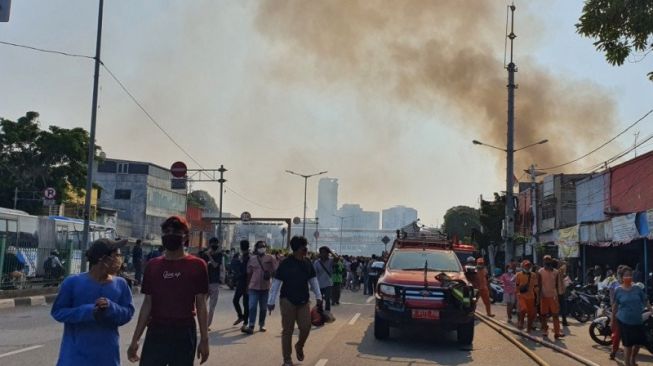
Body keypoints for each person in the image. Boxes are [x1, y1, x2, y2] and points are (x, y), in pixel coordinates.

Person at [127, 216, 209, 365]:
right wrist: (135, 339)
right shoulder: (153, 265)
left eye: (176, 231)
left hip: (184, 332)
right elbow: (147, 304)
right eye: (166, 231)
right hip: (156, 331)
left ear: (185, 237)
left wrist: (204, 339)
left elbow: (201, 304)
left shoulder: (197, 265)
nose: (170, 234)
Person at [51, 239, 134, 366]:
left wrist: (112, 308)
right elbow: (58, 312)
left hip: (107, 357)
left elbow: (128, 313)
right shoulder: (72, 282)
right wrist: (89, 311)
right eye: (116, 255)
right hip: (74, 358)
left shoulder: (121, 284)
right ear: (103, 258)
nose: (119, 260)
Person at [267, 236, 323, 366]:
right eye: (304, 247)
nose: (306, 249)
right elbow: (276, 283)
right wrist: (271, 301)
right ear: (297, 249)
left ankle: (299, 345)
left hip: (303, 301)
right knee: (287, 330)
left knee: (306, 327)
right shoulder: (286, 264)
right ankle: (287, 360)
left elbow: (313, 281)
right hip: (287, 300)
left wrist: (319, 297)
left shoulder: (308, 263)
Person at [612, 266, 652, 366]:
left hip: (638, 320)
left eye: (630, 275)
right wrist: (612, 320)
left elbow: (645, 300)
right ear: (621, 277)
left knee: (638, 343)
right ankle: (628, 364)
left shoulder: (637, 288)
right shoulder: (618, 290)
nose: (628, 277)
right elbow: (615, 306)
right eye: (626, 275)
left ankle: (633, 359)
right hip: (624, 321)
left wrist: (651, 309)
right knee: (628, 345)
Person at [244, 240, 277, 334]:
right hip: (253, 287)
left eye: (263, 246)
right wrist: (247, 286)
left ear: (266, 247)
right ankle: (251, 325)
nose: (261, 248)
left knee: (263, 308)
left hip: (265, 288)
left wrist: (270, 273)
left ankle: (262, 324)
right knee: (252, 306)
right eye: (259, 247)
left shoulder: (271, 258)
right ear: (256, 248)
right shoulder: (252, 259)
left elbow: (275, 271)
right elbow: (249, 273)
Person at [537, 255, 564, 339]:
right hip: (543, 296)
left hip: (553, 296)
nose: (547, 262)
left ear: (551, 261)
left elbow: (558, 284)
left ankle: (557, 332)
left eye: (548, 260)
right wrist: (539, 296)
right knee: (544, 315)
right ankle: (545, 330)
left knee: (555, 315)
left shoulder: (556, 272)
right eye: (545, 261)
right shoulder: (540, 271)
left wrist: (559, 295)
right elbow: (539, 284)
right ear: (543, 262)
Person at [202, 237, 223, 331]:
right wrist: (206, 255)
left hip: (214, 282)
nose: (214, 245)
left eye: (216, 243)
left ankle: (207, 325)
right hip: (205, 282)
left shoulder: (219, 254)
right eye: (213, 243)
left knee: (212, 306)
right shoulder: (203, 254)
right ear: (209, 244)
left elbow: (215, 265)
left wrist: (210, 256)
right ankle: (203, 322)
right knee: (202, 304)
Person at [516, 260, 538, 332]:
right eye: (526, 265)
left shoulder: (533, 275)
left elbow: (535, 286)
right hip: (521, 296)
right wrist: (516, 294)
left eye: (529, 265)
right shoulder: (518, 275)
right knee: (523, 309)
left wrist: (537, 296)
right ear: (523, 266)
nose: (528, 267)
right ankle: (521, 323)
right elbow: (517, 285)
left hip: (531, 297)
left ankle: (528, 329)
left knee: (530, 314)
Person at [233, 240, 251, 330]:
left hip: (246, 282)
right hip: (242, 282)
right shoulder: (242, 256)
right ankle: (241, 317)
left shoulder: (248, 257)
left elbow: (245, 271)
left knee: (245, 303)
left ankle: (245, 321)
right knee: (237, 301)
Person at [314, 246, 336, 312]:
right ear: (320, 254)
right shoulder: (316, 263)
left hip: (328, 284)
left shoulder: (331, 260)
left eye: (326, 252)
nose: (324, 254)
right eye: (322, 252)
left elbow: (337, 258)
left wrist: (331, 252)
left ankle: (327, 313)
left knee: (327, 299)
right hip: (319, 284)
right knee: (319, 300)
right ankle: (319, 313)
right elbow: (314, 274)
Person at [556, 260, 570, 326]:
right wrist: (561, 262)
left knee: (559, 307)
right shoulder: (559, 271)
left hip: (557, 292)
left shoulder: (554, 271)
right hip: (559, 292)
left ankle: (561, 321)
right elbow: (565, 264)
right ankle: (563, 321)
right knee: (563, 306)